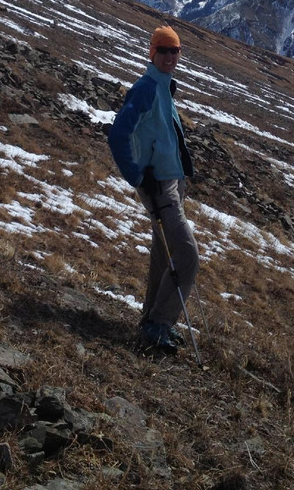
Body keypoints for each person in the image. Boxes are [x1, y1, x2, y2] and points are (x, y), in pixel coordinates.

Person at [108, 25, 197, 354]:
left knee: (164, 257)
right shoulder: (146, 88)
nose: (170, 56)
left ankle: (151, 321)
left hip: (171, 182)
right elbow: (118, 134)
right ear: (152, 53)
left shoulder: (163, 86)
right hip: (158, 186)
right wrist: (135, 175)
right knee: (186, 256)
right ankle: (159, 324)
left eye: (175, 51)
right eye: (164, 51)